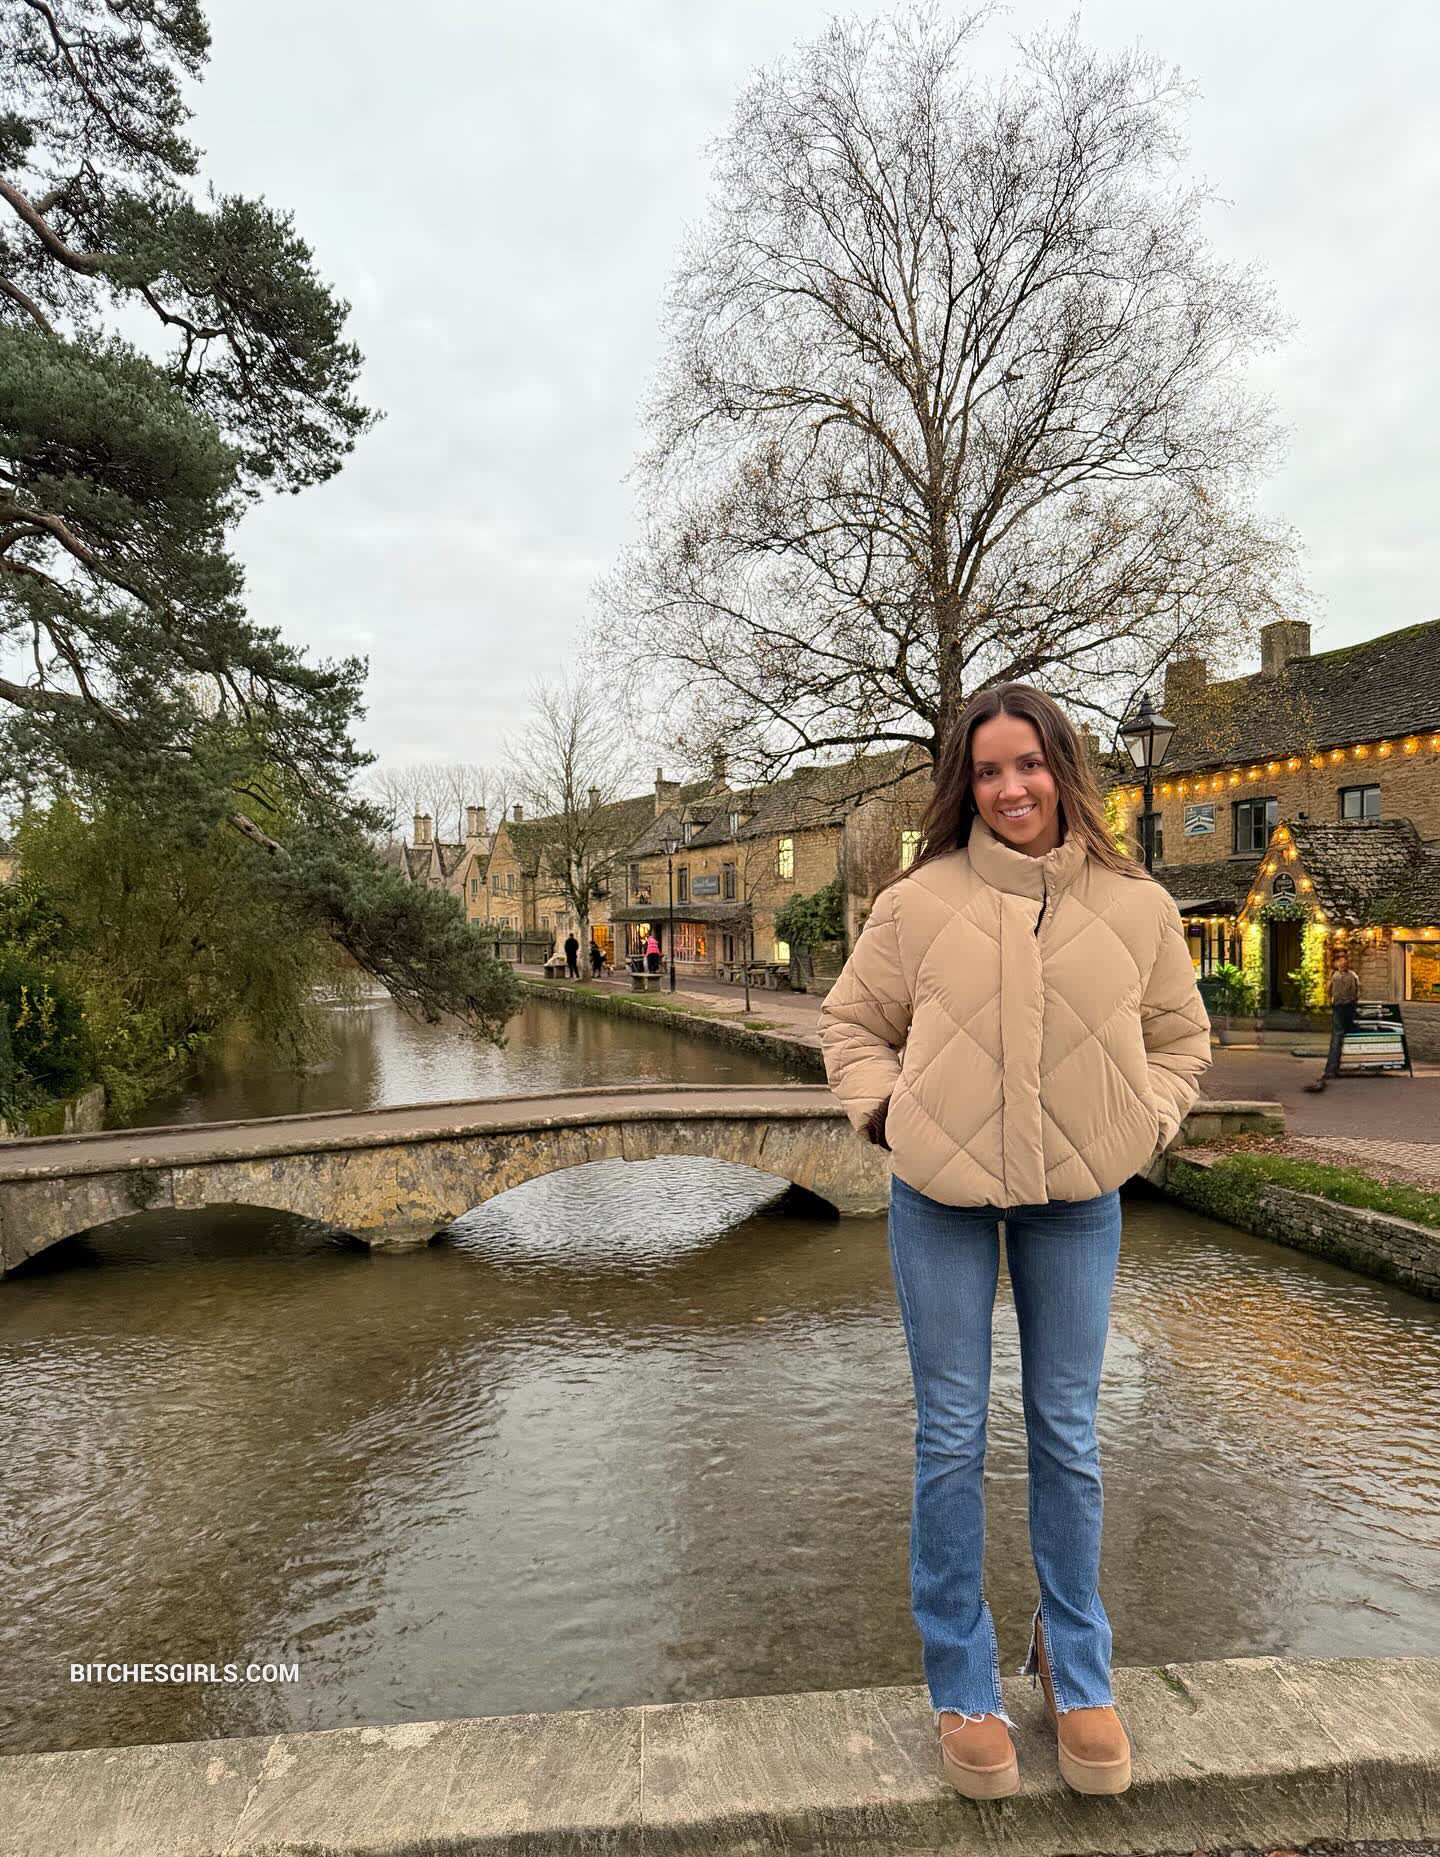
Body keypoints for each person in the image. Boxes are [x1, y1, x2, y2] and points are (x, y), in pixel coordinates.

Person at [817, 682, 1212, 1803]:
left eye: (1028, 764)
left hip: (1078, 1197)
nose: (1011, 789)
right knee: (949, 1434)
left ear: (1063, 768)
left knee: (1067, 1433)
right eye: (987, 770)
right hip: (938, 1196)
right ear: (966, 784)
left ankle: (1076, 1664)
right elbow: (852, 1023)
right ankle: (962, 1679)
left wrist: (1146, 1120)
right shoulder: (917, 901)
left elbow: (1182, 1037)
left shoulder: (1137, 905)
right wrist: (888, 1116)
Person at [1304, 948, 1360, 1091]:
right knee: (1345, 1034)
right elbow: (1356, 992)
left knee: (1337, 1036)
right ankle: (1340, 1066)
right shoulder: (1351, 975)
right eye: (1341, 960)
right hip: (1349, 1008)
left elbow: (1332, 993)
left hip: (1341, 1008)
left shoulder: (1337, 977)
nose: (1343, 962)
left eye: (1343, 960)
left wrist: (1335, 1002)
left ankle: (1331, 1069)